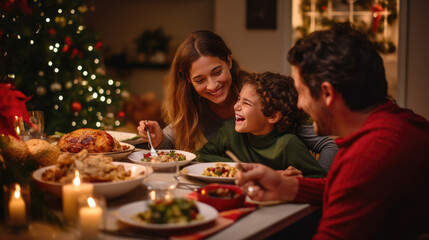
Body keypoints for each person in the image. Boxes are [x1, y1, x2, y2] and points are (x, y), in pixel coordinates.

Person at [235, 23, 429, 239]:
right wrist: (287, 186)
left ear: (327, 93)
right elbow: (352, 191)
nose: (299, 104)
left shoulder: (368, 155)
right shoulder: (401, 120)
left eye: (301, 92)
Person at [137, 30, 337, 171]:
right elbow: (171, 141)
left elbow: (328, 144)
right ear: (188, 80)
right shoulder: (194, 106)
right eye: (200, 80)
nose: (212, 85)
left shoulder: (261, 93)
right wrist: (158, 139)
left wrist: (314, 185)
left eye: (217, 72)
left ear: (229, 61)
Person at [196, 72, 326, 178]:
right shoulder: (229, 131)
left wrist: (298, 178)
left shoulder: (288, 144)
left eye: (246, 103)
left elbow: (321, 179)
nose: (236, 106)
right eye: (238, 99)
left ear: (272, 116)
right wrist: (240, 166)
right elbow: (201, 155)